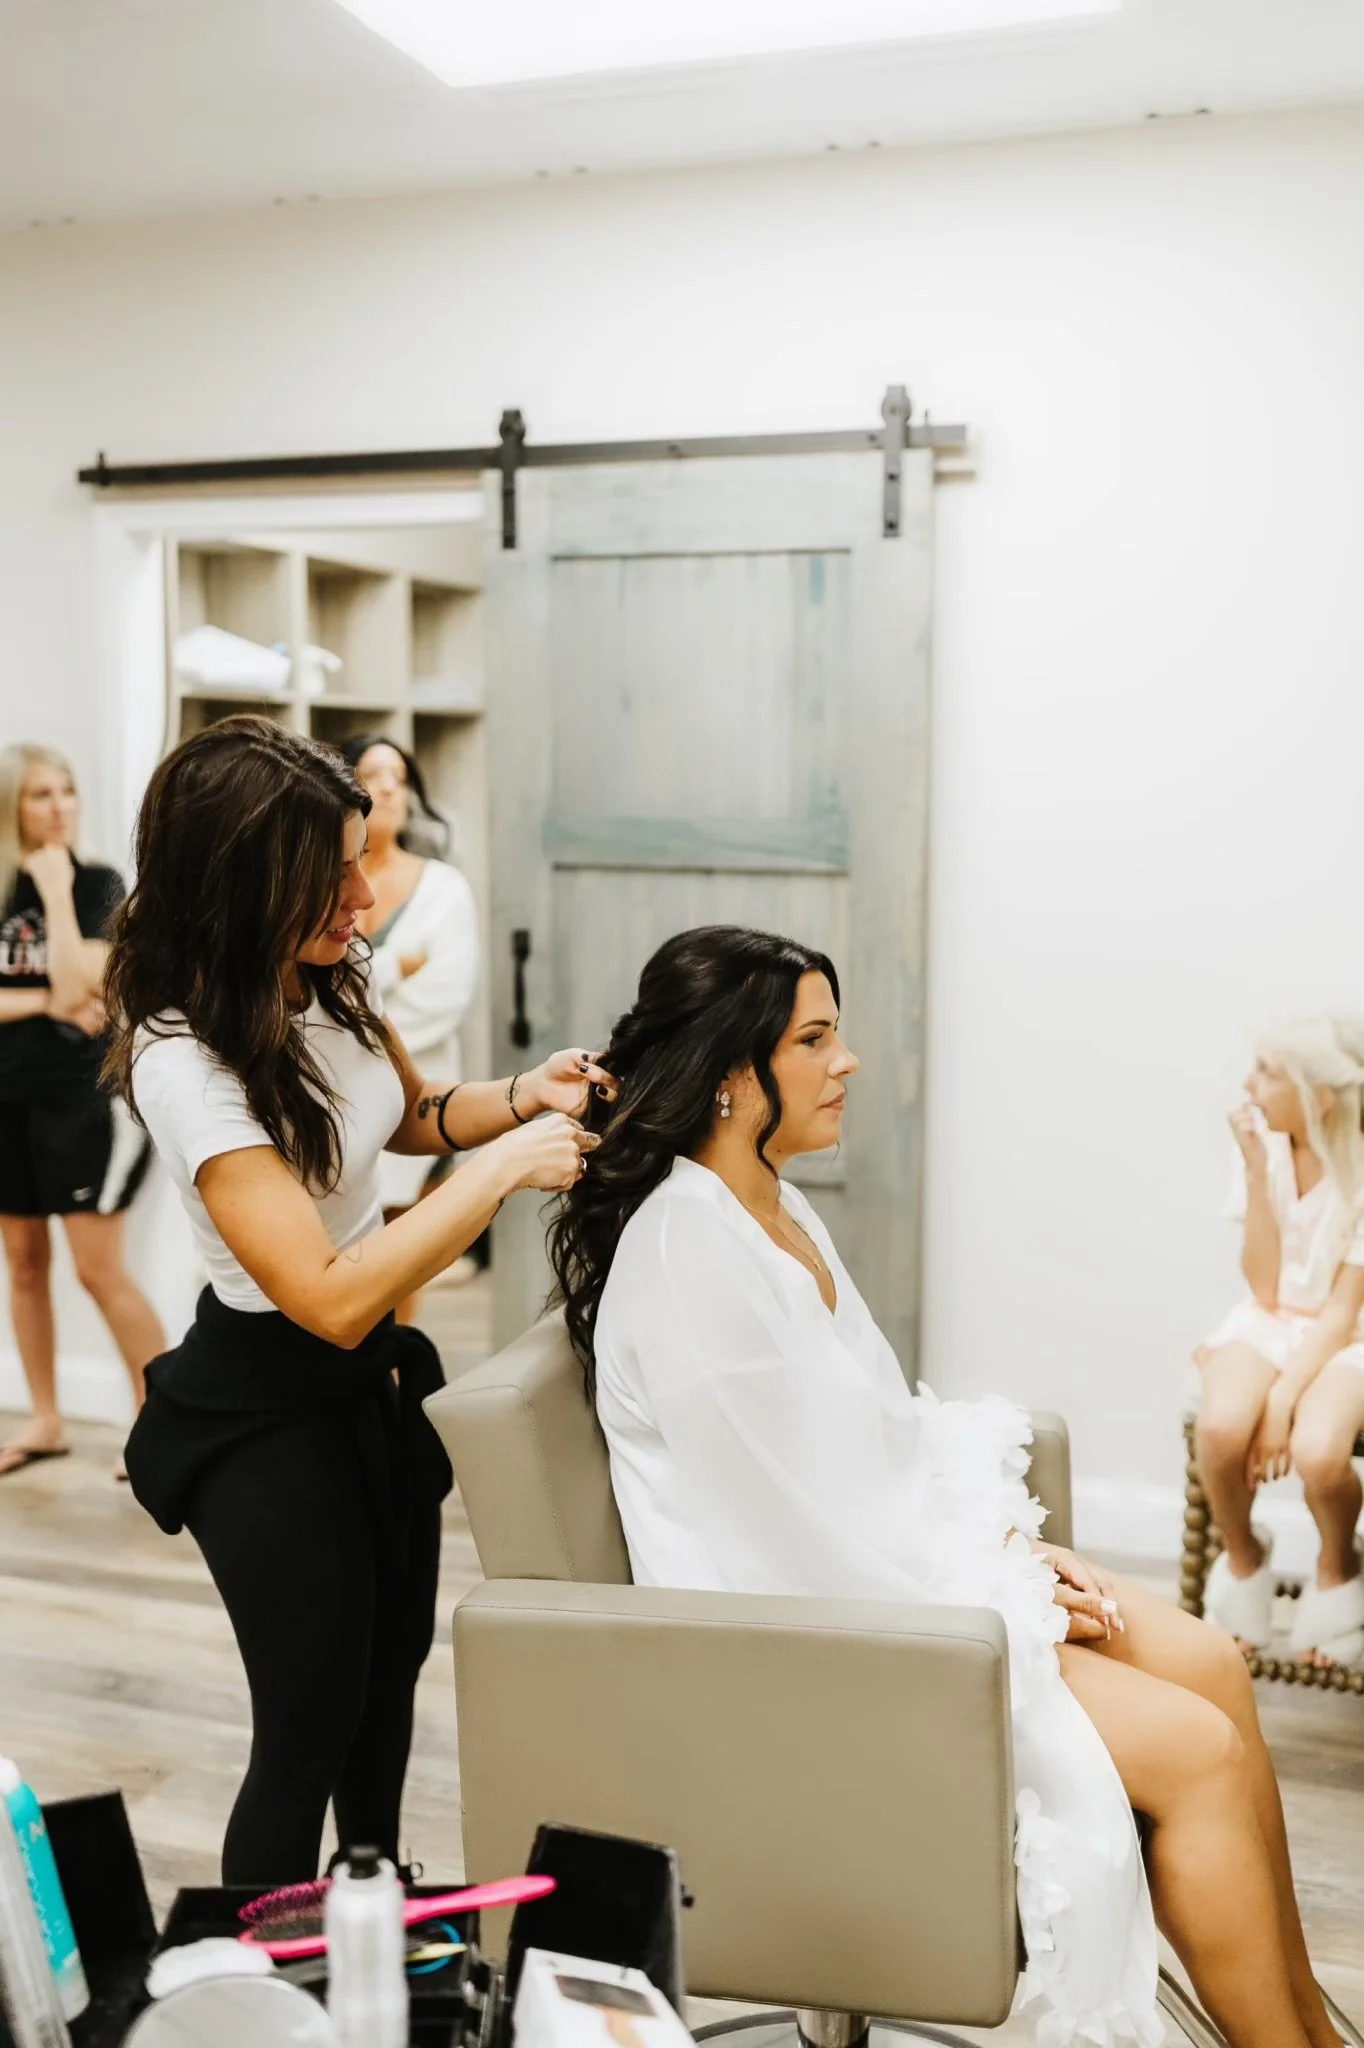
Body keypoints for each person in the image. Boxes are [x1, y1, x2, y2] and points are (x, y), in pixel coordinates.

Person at [548, 926, 1339, 2048]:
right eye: (814, 1038)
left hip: (901, 1580)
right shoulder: (687, 1261)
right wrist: (999, 1593)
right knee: (1197, 1752)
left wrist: (1009, 1546)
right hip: (826, 1659)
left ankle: (1307, 2025)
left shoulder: (767, 1204)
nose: (847, 1060)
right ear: (731, 1075)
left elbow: (873, 1441)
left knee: (1212, 1662)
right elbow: (784, 1551)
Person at [105, 715, 607, 1884]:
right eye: (330, 876)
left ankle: (372, 1920)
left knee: (385, 1692)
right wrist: (498, 1172)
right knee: (307, 1729)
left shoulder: (328, 975)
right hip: (260, 1405)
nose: (363, 898)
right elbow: (325, 1294)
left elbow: (413, 1119)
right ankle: (265, 1990)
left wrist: (520, 1095)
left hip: (372, 1382)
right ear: (245, 883)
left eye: (359, 862)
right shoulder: (184, 1059)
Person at [0, 744, 163, 1479]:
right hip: (8, 1099)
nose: (60, 805)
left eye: (67, 790)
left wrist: (57, 892)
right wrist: (45, 1001)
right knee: (25, 1263)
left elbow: (84, 978)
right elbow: (64, 995)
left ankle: (160, 1424)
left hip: (81, 1101)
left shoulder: (100, 882)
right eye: (40, 795)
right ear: (12, 806)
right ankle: (44, 1419)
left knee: (100, 1270)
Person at [1195, 1021, 1364, 1670]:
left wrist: (1283, 1400)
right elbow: (1263, 1285)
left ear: (1319, 1096)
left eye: (1265, 1071)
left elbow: (1343, 1311)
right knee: (1220, 1429)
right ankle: (1243, 1556)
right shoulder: (1265, 1148)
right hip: (1269, 1317)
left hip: (1345, 1336)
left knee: (1319, 1452)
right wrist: (1256, 1168)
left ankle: (1338, 1565)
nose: (1248, 1084)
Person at [340, 735, 481, 1311]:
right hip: (335, 1092)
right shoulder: (321, 883)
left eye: (399, 775)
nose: (390, 787)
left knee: (402, 1250)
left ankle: (394, 1374)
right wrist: (396, 965)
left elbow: (446, 993)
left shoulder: (444, 888)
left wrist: (353, 1023)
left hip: (416, 1085)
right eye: (373, 774)